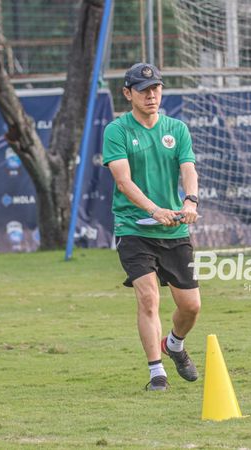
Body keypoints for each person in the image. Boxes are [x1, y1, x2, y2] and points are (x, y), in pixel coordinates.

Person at [103, 62, 201, 391]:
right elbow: (122, 180)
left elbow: (188, 169)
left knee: (191, 306)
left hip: (173, 230)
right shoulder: (117, 131)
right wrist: (152, 209)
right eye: (144, 91)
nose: (151, 95)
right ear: (128, 94)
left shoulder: (178, 129)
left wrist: (190, 201)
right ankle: (156, 372)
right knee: (148, 298)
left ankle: (174, 345)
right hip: (134, 228)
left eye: (156, 89)